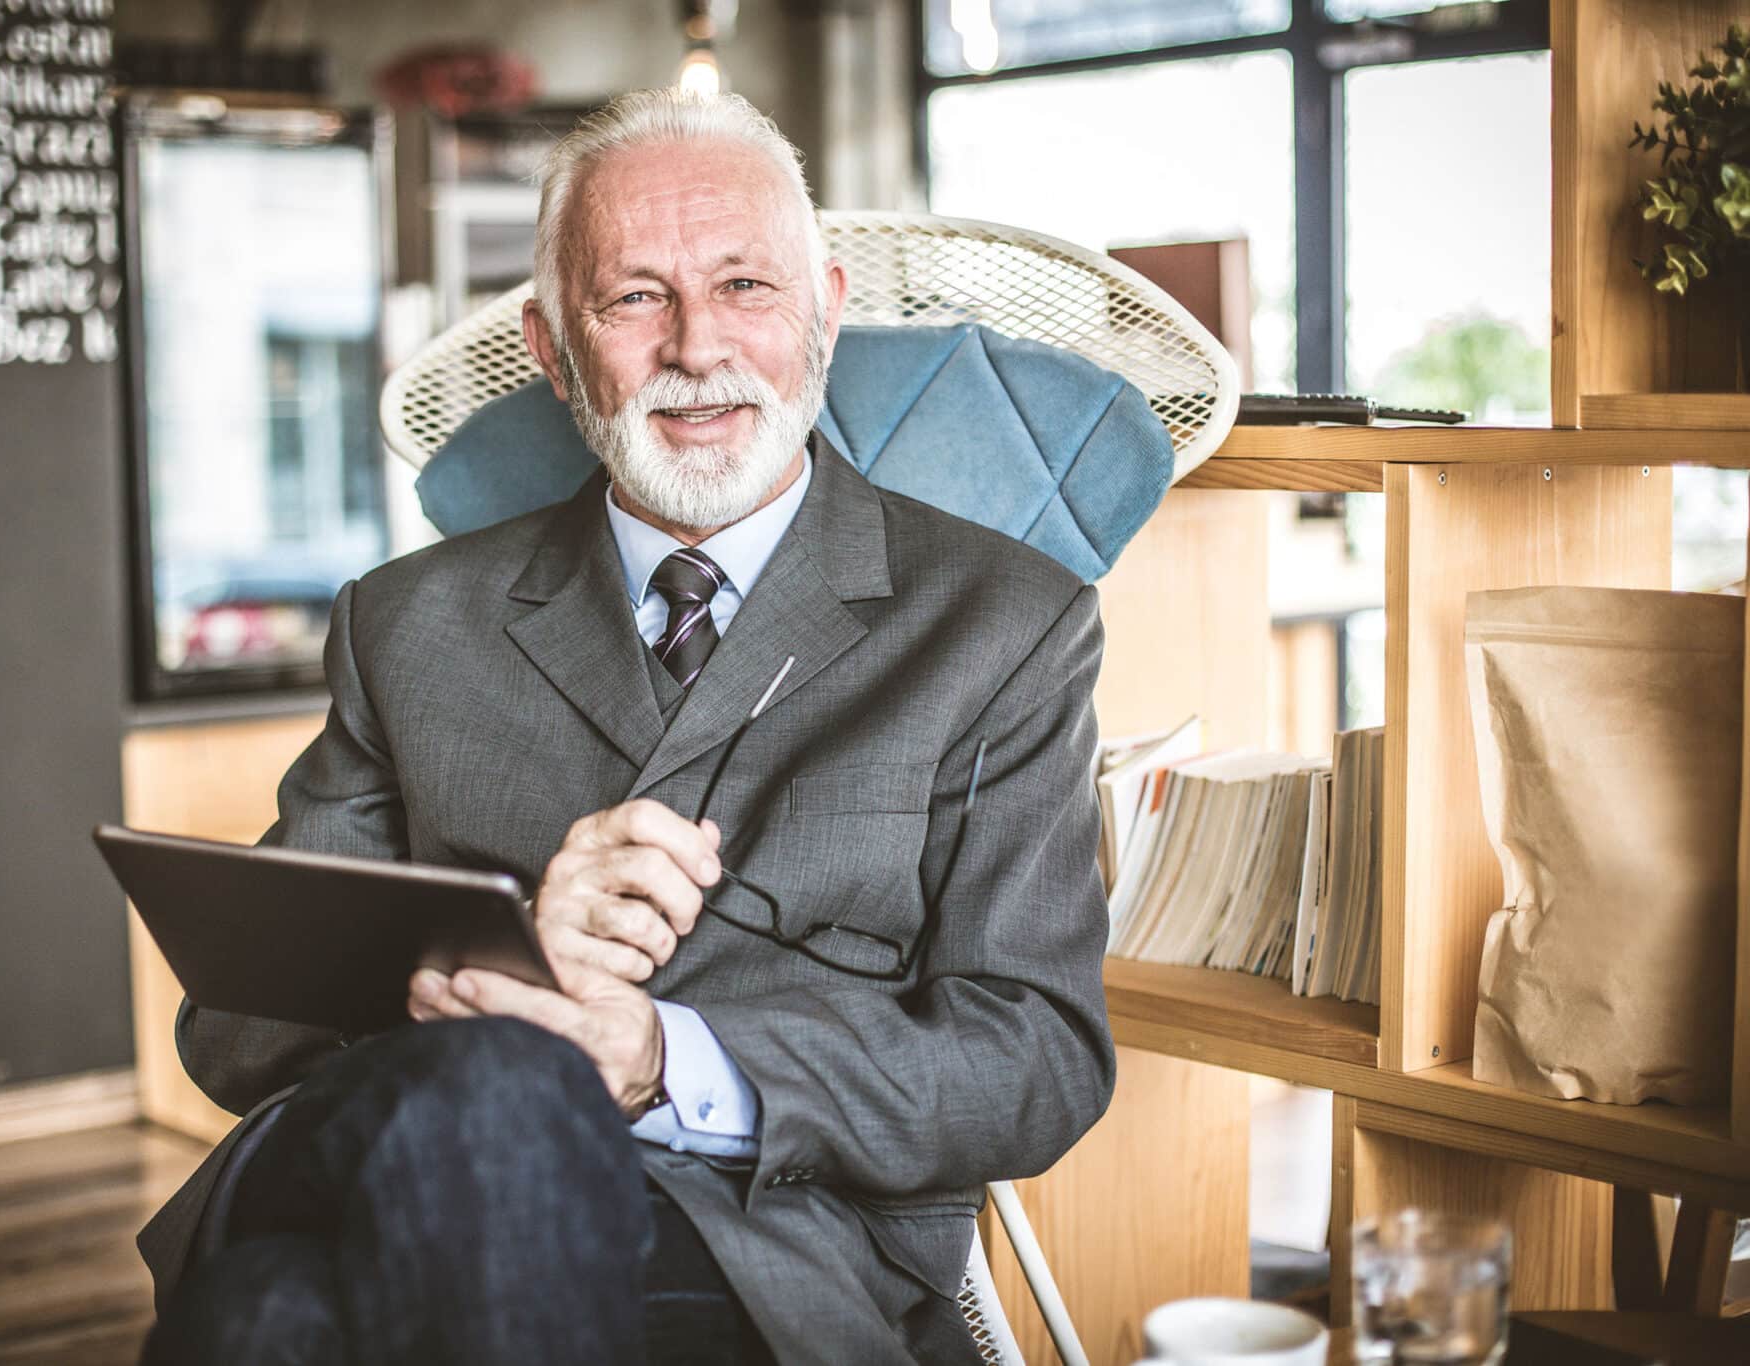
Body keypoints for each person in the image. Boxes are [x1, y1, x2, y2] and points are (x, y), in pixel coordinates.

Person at [139, 88, 1114, 1366]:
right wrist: (499, 965)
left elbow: (1034, 1058)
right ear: (551, 347)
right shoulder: (408, 620)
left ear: (821, 308)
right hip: (381, 1156)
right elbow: (233, 1031)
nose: (696, 345)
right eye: (634, 297)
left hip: (762, 1237)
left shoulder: (1001, 623)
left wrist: (662, 1057)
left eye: (744, 287)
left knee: (259, 1326)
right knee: (491, 1090)